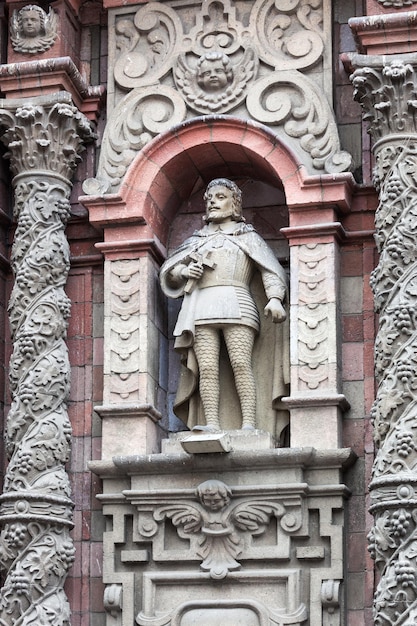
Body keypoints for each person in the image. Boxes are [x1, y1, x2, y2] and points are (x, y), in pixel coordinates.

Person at [160, 178, 287, 432]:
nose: (212, 203)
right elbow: (170, 271)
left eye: (220, 197)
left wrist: (274, 298)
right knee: (206, 368)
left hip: (238, 305)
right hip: (201, 308)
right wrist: (185, 271)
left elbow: (269, 269)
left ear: (235, 203)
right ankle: (212, 424)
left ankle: (249, 424)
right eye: (209, 199)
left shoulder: (247, 237)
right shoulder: (197, 239)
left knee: (241, 364)